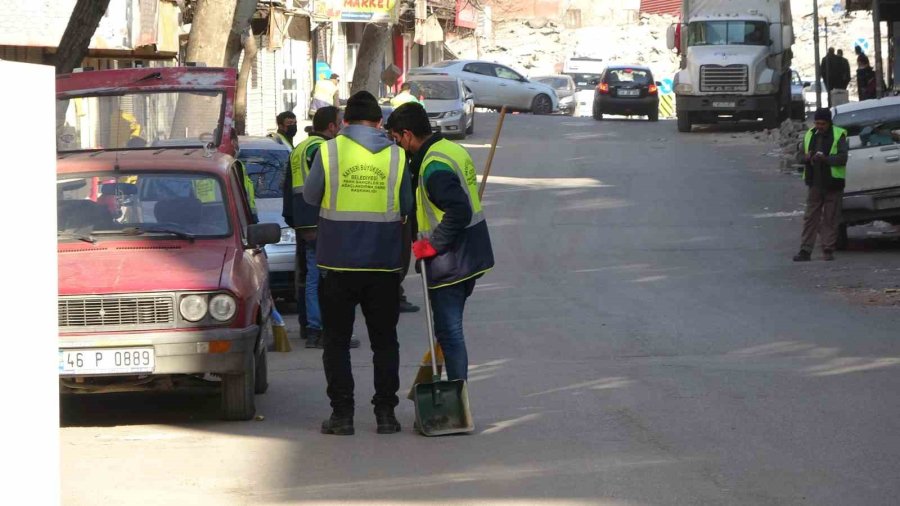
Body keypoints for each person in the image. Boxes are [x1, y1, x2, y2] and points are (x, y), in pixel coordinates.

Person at [303, 91, 412, 436]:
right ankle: (385, 415)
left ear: (345, 121)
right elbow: (406, 203)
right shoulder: (396, 157)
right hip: (382, 264)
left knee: (336, 341)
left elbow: (309, 196)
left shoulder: (329, 150)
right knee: (385, 341)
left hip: (337, 263)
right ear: (380, 122)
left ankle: (343, 415)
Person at [386, 103, 495, 383]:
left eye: (396, 138)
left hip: (451, 260)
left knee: (449, 331)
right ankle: (454, 390)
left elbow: (459, 210)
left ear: (408, 134)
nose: (396, 144)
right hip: (472, 252)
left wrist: (433, 245)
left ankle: (456, 398)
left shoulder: (434, 166)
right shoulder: (450, 149)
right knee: (448, 329)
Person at [285, 107, 361, 350]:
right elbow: (332, 183)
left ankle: (311, 327)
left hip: (304, 219)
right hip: (320, 219)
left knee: (311, 276)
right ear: (331, 127)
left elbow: (288, 187)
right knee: (327, 279)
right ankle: (322, 330)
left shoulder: (299, 148)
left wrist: (294, 220)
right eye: (340, 123)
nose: (341, 128)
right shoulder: (323, 148)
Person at [793, 108, 848, 263]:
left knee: (830, 218)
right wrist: (806, 157)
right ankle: (805, 251)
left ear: (829, 122)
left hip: (833, 183)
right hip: (815, 183)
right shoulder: (810, 134)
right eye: (817, 123)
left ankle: (828, 249)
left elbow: (843, 158)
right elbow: (799, 156)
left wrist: (826, 159)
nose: (819, 126)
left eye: (822, 123)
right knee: (810, 218)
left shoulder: (839, 135)